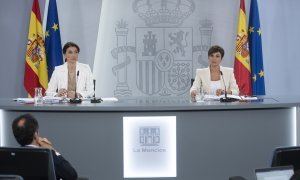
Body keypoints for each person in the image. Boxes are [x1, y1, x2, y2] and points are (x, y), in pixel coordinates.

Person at [12, 114, 78, 180]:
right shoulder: (47, 155)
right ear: (35, 134)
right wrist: (51, 149)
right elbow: (71, 175)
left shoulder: (10, 157)